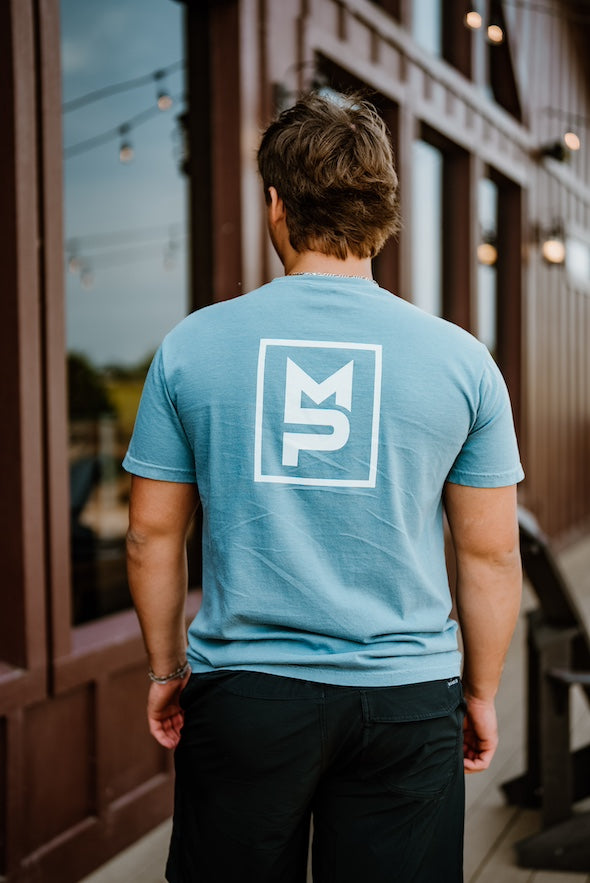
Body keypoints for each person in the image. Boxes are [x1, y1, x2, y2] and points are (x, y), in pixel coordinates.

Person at [124, 92, 523, 883]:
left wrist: (167, 672)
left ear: (276, 204)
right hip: (408, 698)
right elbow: (490, 554)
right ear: (384, 213)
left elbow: (150, 536)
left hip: (245, 698)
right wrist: (480, 691)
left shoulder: (192, 347)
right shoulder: (462, 361)